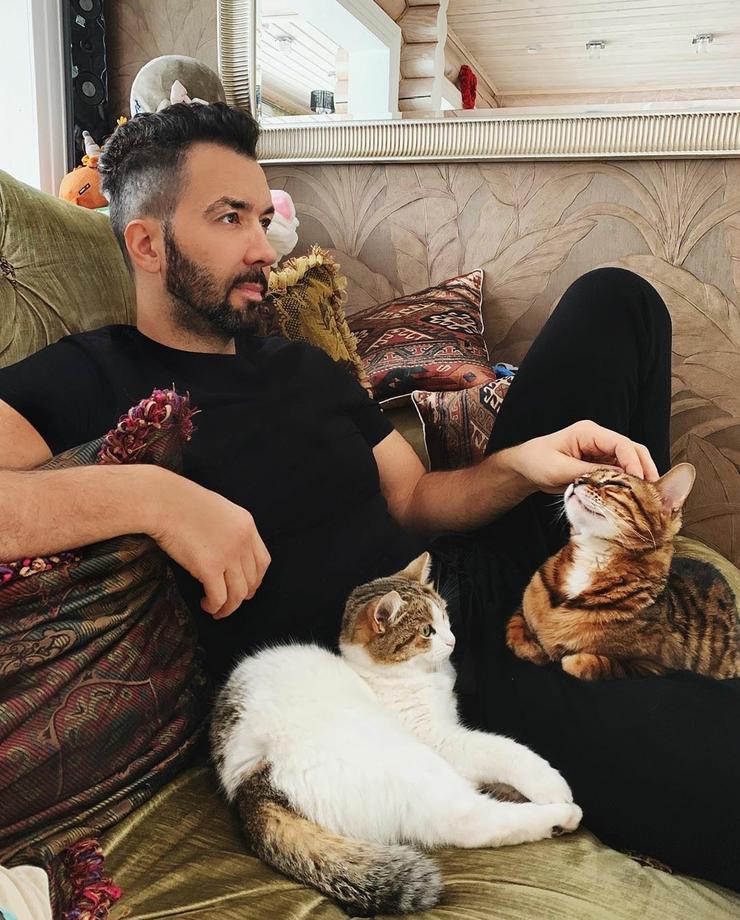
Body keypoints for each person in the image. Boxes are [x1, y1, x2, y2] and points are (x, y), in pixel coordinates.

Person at [0, 103, 735, 892]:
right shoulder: (88, 374)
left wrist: (522, 466)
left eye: (261, 218)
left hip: (453, 576)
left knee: (617, 300)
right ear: (147, 244)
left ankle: (633, 589)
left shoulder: (301, 365)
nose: (263, 249)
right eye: (229, 218)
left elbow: (415, 500)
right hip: (402, 671)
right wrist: (155, 497)